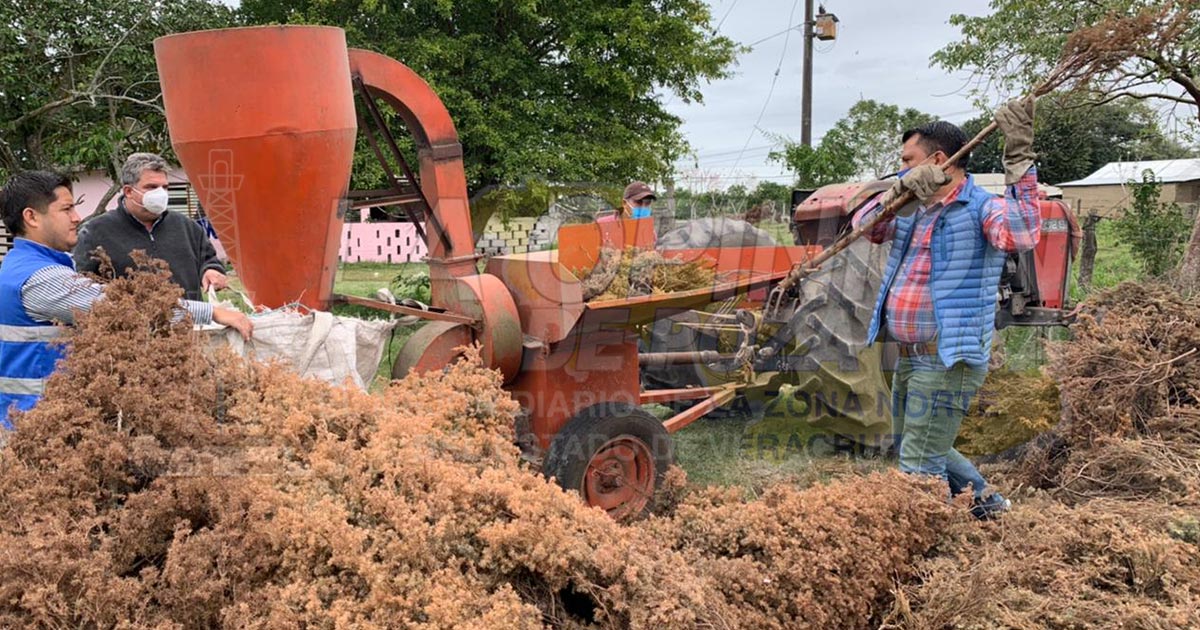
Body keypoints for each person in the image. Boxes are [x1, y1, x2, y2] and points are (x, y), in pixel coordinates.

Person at [852, 99, 1039, 520]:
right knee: (918, 441)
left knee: (918, 465)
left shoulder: (981, 208)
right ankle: (992, 508)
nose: (902, 168)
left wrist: (1020, 160)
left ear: (939, 159)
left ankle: (922, 547)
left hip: (947, 358)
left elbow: (1024, 234)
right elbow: (862, 227)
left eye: (907, 161)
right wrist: (897, 193)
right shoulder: (912, 208)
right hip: (912, 358)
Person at [0, 170, 252, 426]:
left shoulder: (23, 266)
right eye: (66, 210)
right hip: (37, 419)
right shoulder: (41, 278)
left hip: (39, 413)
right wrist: (212, 313)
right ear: (31, 217)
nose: (76, 218)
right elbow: (129, 310)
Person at [74, 153, 227, 300]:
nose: (160, 193)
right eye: (151, 187)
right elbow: (81, 284)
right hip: (130, 325)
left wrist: (211, 270)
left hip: (190, 321)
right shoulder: (95, 232)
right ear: (128, 191)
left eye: (165, 187)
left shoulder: (187, 227)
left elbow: (208, 259)